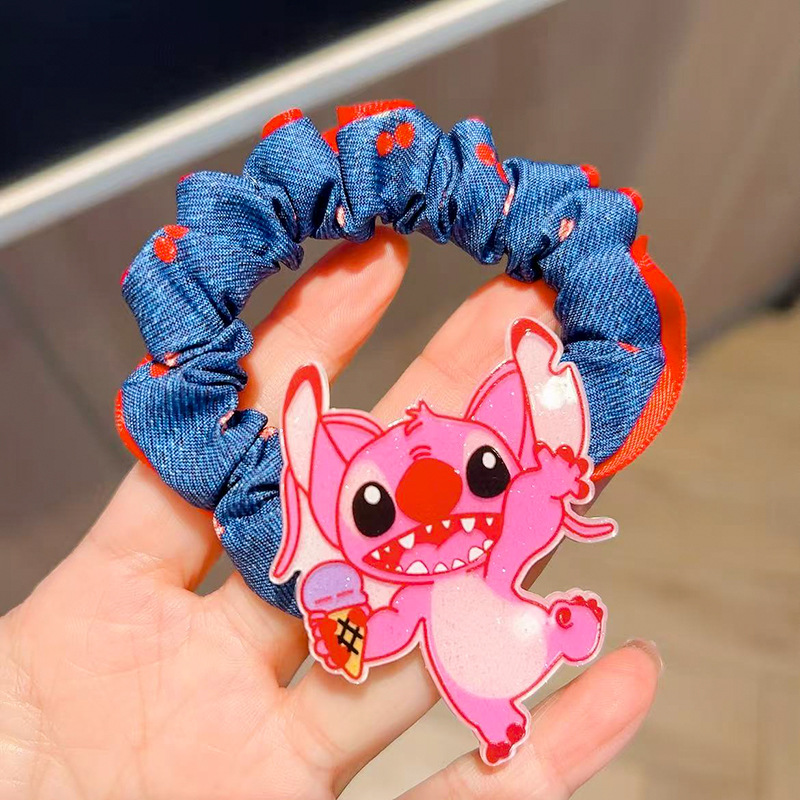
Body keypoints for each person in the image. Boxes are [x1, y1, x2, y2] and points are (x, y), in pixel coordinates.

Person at [0, 229, 660, 798]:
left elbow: (520, 530)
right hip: (470, 654)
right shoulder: (395, 590)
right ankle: (505, 701)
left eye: (485, 470)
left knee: (521, 629)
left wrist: (544, 482)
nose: (428, 505)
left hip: (505, 621)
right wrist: (341, 618)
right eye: (374, 508)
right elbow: (369, 639)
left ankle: (548, 642)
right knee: (489, 678)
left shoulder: (479, 552)